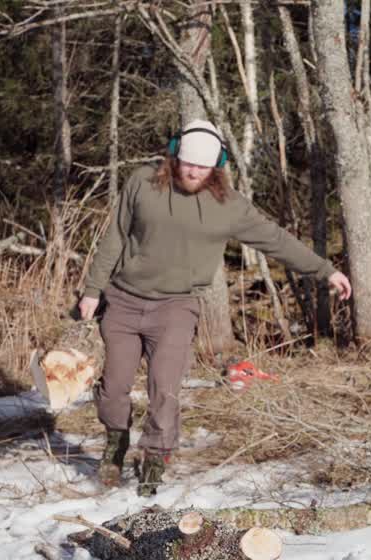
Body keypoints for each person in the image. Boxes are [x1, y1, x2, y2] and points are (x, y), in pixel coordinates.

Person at [77, 119, 352, 496]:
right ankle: (116, 442)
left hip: (175, 306)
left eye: (202, 166)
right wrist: (92, 290)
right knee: (113, 388)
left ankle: (155, 458)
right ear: (174, 155)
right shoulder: (142, 182)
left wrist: (325, 271)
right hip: (123, 300)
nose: (192, 171)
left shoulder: (229, 206)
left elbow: (276, 241)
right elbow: (116, 236)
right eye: (187, 162)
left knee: (165, 388)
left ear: (217, 165)